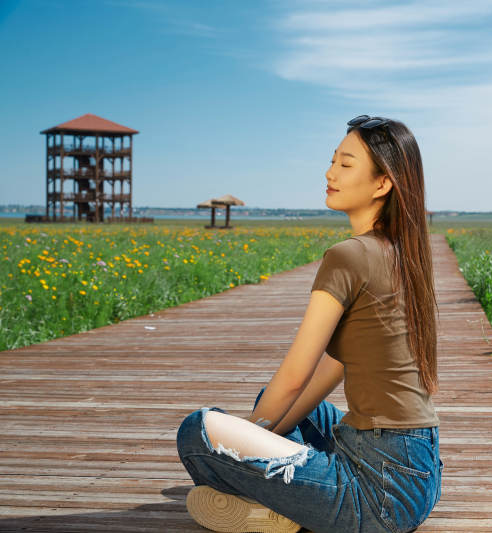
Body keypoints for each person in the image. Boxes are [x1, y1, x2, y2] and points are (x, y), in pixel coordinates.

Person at [176, 114, 443, 533]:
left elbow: (296, 377)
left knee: (199, 432)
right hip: (418, 477)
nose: (329, 172)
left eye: (346, 163)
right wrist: (259, 443)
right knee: (284, 410)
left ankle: (278, 504)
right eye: (332, 160)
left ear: (382, 183)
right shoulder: (403, 253)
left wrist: (240, 448)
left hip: (377, 496)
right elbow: (329, 372)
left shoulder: (348, 256)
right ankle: (285, 498)